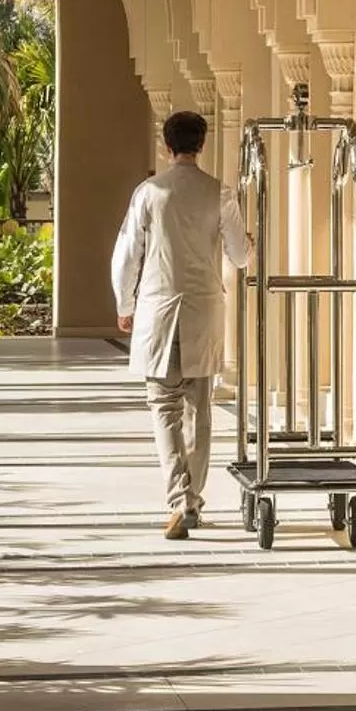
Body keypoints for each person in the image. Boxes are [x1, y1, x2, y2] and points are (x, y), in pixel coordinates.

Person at [111, 110, 251, 540]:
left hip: (157, 310)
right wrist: (249, 245)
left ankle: (180, 499)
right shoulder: (219, 192)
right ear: (202, 145)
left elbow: (126, 255)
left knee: (164, 407)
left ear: (167, 146)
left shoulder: (149, 192)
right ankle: (191, 499)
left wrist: (124, 302)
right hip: (203, 310)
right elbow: (240, 255)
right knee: (199, 407)